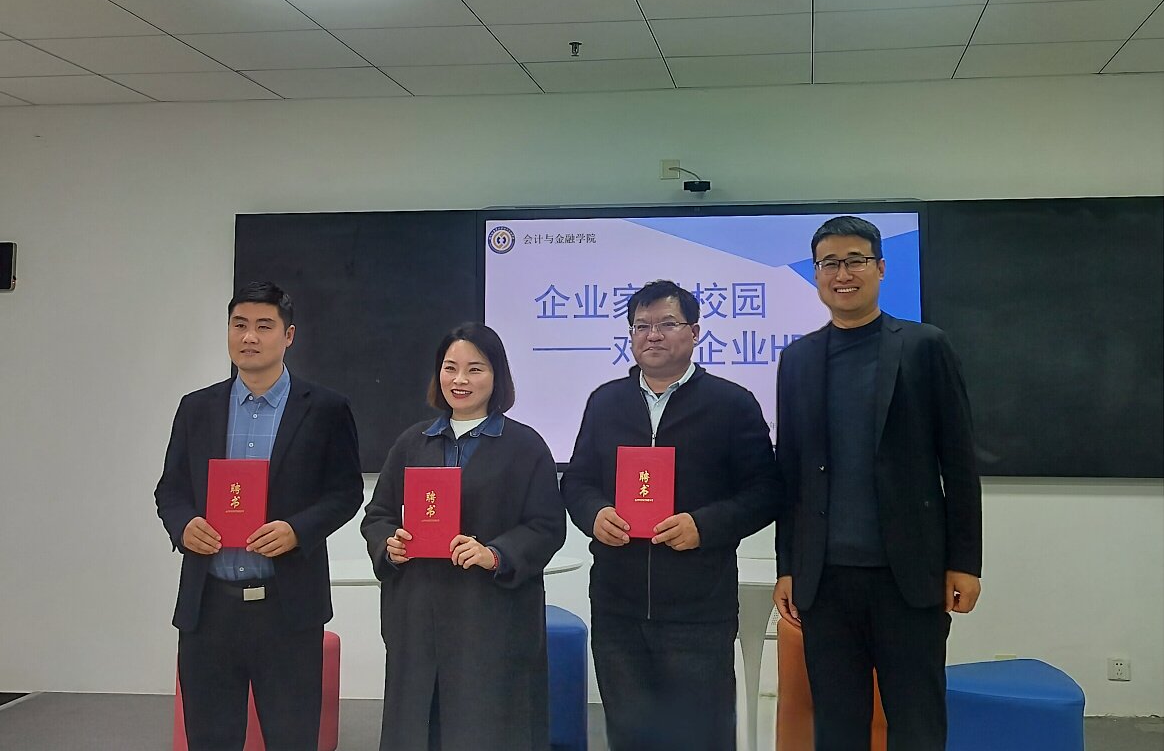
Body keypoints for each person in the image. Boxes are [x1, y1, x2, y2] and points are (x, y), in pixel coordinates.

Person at [772, 216, 983, 751]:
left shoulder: (924, 347)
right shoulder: (798, 360)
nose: (842, 274)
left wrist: (965, 561)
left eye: (855, 261)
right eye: (830, 263)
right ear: (816, 273)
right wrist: (788, 566)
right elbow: (790, 473)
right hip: (826, 581)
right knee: (837, 726)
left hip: (909, 577)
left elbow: (958, 462)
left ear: (881, 269)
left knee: (917, 721)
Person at [560, 279, 779, 751]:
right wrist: (594, 513)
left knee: (699, 736)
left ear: (694, 332)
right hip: (618, 605)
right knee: (630, 734)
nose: (652, 335)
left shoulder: (731, 403)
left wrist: (705, 526)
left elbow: (766, 492)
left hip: (698, 610)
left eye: (666, 323)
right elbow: (576, 481)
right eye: (641, 326)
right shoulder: (605, 402)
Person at [154, 280, 363, 751]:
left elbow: (345, 492)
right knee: (210, 739)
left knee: (292, 738)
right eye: (239, 325)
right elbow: (171, 489)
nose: (249, 336)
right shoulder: (197, 407)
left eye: (264, 326)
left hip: (288, 611)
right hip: (209, 609)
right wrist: (183, 525)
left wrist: (298, 530)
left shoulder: (326, 409)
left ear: (289, 335)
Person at [362, 322, 565, 751]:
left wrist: (495, 553)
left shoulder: (525, 446)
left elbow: (547, 526)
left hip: (491, 619)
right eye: (450, 367)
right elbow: (378, 515)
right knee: (418, 729)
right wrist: (388, 544)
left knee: (489, 731)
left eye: (475, 369)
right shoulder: (412, 442)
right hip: (418, 618)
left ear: (497, 376)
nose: (460, 380)